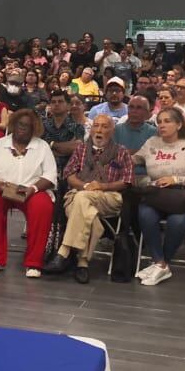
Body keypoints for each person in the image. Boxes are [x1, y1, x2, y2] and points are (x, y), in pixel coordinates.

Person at [44, 115, 134, 282]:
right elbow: (69, 175)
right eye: (96, 126)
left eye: (104, 127)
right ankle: (83, 263)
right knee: (88, 212)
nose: (99, 130)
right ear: (91, 129)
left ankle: (64, 251)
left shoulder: (121, 151)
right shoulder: (81, 149)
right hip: (79, 193)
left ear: (112, 130)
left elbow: (127, 181)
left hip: (109, 197)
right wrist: (85, 186)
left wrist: (102, 186)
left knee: (82, 200)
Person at [0, 108, 57, 278]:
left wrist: (33, 189)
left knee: (42, 205)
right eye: (20, 124)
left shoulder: (42, 147)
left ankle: (34, 263)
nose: (23, 128)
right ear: (13, 124)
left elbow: (50, 175)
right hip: (1, 189)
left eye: (27, 125)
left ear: (34, 128)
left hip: (32, 191)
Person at [135, 107, 185, 286]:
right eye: (159, 122)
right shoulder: (152, 143)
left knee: (177, 221)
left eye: (167, 121)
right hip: (158, 195)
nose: (162, 125)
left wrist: (174, 179)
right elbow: (133, 159)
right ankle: (160, 263)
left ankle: (161, 264)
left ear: (179, 124)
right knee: (145, 214)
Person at [43, 88, 86, 175]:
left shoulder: (77, 127)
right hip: (45, 170)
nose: (56, 104)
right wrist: (66, 147)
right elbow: (41, 150)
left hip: (70, 172)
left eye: (60, 101)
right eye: (53, 102)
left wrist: (51, 144)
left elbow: (77, 147)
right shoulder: (42, 125)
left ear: (68, 106)